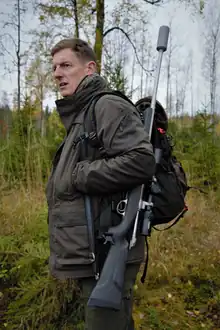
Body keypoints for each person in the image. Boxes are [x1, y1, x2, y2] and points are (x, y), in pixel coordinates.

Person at [46, 38, 155, 330]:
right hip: (92, 251)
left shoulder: (106, 106)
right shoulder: (81, 115)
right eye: (54, 67)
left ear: (90, 68)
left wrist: (78, 175)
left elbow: (141, 161)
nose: (57, 73)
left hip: (108, 248)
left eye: (66, 65)